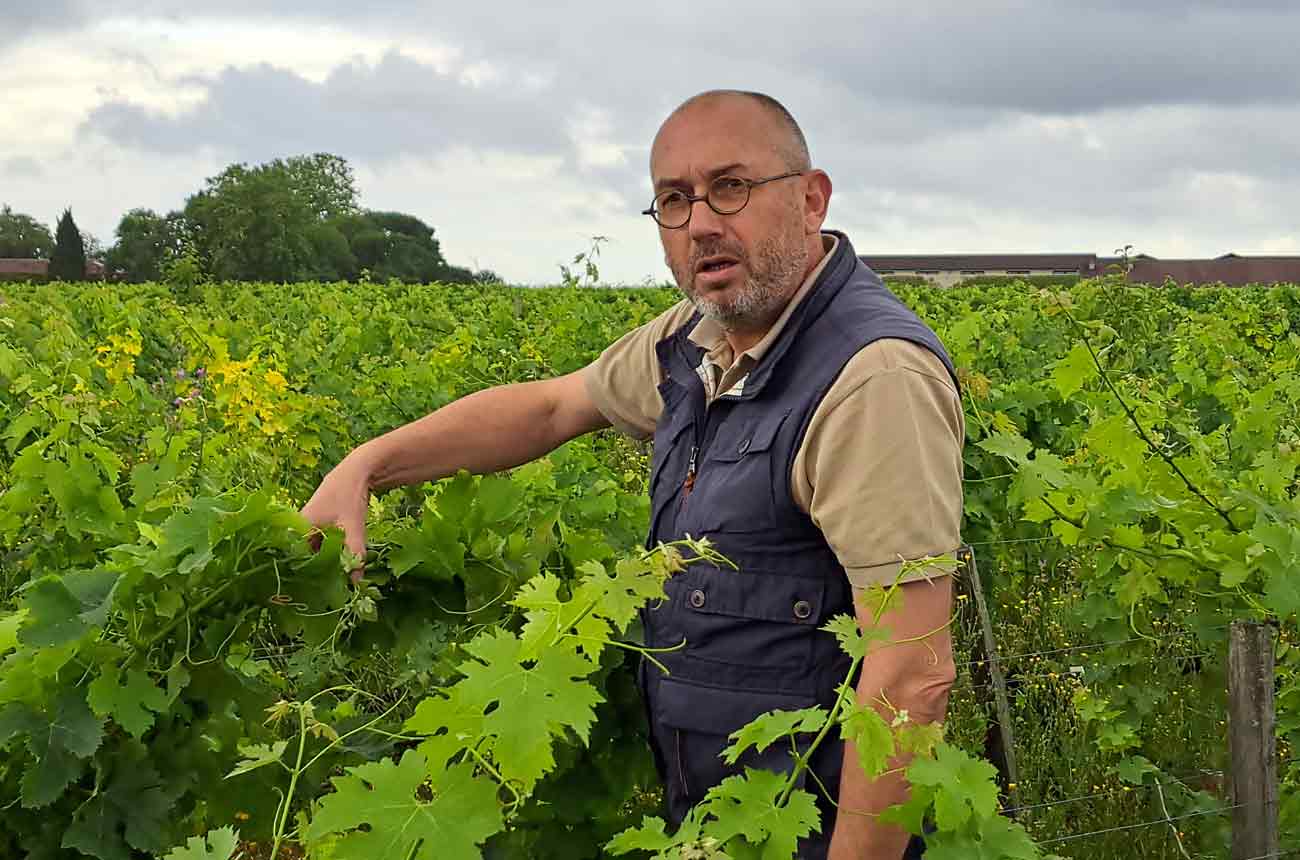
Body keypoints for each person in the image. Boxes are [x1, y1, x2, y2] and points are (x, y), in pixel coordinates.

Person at [301, 89, 964, 860]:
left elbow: (912, 675)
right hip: (717, 827)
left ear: (811, 199)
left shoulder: (871, 378)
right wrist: (367, 466)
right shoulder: (699, 338)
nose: (702, 224)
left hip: (813, 833)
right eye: (673, 201)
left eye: (731, 187)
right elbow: (552, 408)